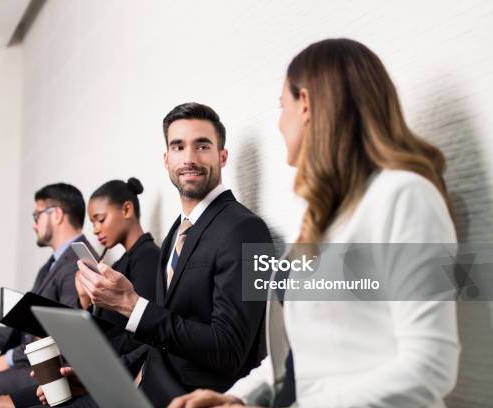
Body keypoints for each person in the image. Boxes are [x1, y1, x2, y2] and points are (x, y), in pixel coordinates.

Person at [169, 38, 460, 408]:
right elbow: (298, 361)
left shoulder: (406, 196)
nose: (279, 122)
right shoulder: (320, 217)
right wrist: (236, 398)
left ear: (304, 104)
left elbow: (429, 368)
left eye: (282, 106)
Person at [55, 102, 272, 408]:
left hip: (187, 399)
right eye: (178, 147)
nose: (189, 158)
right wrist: (102, 375)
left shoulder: (248, 230)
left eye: (203, 146)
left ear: (223, 156)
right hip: (142, 385)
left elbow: (230, 350)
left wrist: (133, 305)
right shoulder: (175, 232)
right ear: (166, 159)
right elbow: (158, 336)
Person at [0, 177, 159, 408]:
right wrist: (84, 301)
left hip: (110, 373)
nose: (95, 229)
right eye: (92, 222)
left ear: (127, 209)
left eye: (100, 219)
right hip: (93, 367)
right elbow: (107, 322)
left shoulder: (148, 259)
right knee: (0, 403)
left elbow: (139, 333)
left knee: (2, 405)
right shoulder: (120, 262)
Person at [0, 183, 97, 408]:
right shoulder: (51, 265)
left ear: (56, 215)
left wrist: (9, 359)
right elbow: (28, 326)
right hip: (27, 359)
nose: (34, 224)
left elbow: (63, 336)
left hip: (48, 367)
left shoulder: (79, 263)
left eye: (37, 215)